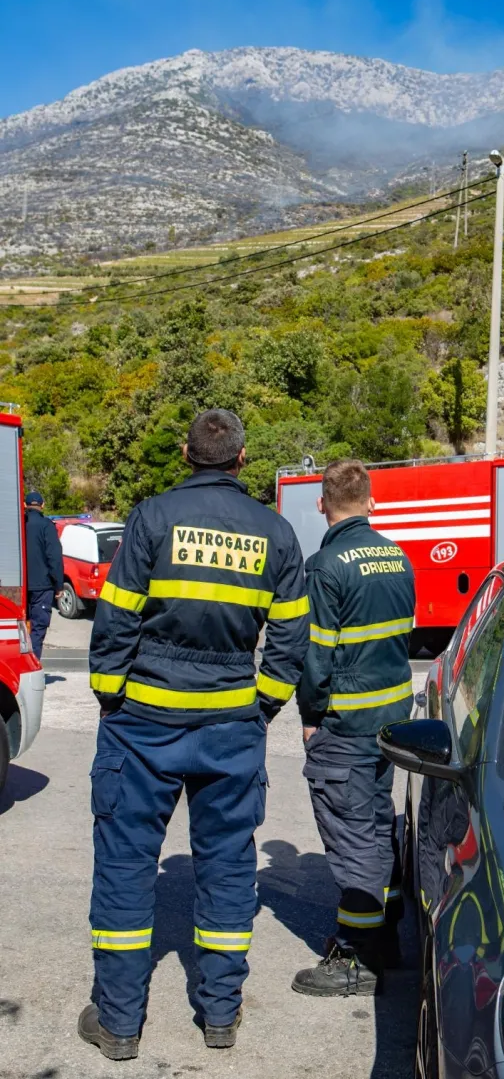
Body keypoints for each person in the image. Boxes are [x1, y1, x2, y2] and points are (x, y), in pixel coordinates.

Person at [80, 409, 309, 1061]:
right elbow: (291, 635)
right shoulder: (275, 531)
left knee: (125, 869)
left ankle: (120, 1023)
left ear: (186, 453)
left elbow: (116, 617)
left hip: (142, 726)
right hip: (230, 727)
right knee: (229, 869)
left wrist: (108, 693)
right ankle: (220, 1017)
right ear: (241, 459)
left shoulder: (151, 518)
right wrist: (261, 704)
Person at [293, 459, 415, 998]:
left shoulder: (325, 566)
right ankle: (386, 937)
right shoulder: (397, 557)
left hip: (345, 725)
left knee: (352, 839)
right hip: (391, 723)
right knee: (376, 825)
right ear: (371, 501)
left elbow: (315, 657)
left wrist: (310, 716)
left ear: (322, 504)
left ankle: (357, 961)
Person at [23, 490, 64, 660]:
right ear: (43, 505)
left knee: (20, 631)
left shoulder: (19, 525)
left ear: (25, 505)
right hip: (42, 587)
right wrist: (59, 586)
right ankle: (31, 668)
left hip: (21, 587)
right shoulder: (47, 526)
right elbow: (54, 558)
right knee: (38, 631)